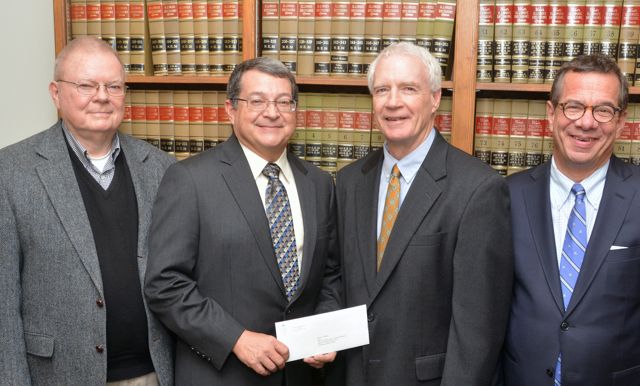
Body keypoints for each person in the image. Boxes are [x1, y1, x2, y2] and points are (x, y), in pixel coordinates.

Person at [144, 56, 341, 385]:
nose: (272, 112)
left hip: (300, 376)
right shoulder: (190, 180)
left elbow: (331, 275)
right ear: (231, 109)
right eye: (257, 101)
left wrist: (324, 330)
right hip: (223, 375)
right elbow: (165, 285)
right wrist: (236, 338)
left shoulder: (319, 184)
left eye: (283, 102)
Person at [336, 42, 513, 385]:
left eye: (408, 89)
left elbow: (478, 330)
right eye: (382, 89)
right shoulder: (348, 181)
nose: (393, 102)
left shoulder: (477, 189)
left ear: (434, 99)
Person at [0, 37, 174, 385]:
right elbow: (3, 304)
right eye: (85, 85)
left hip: (154, 373)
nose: (102, 96)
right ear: (55, 93)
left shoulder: (161, 168)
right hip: (60, 374)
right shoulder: (11, 172)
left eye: (113, 85)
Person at [502, 54, 640, 385]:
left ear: (621, 122)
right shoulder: (506, 196)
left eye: (603, 110)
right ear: (551, 113)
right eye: (573, 106)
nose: (586, 122)